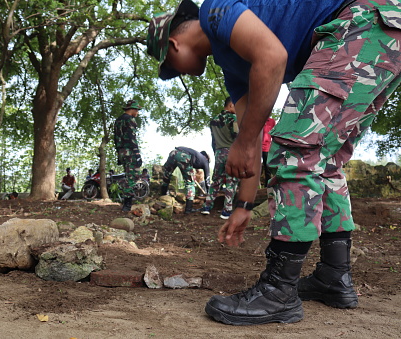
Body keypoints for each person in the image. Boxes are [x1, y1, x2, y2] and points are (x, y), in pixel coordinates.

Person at [147, 0, 401, 326]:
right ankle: (334, 277)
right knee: (325, 160)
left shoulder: (215, 10)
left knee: (294, 148)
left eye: (169, 64)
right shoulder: (233, 68)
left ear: (173, 43)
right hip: (379, 31)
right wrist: (242, 205)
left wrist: (243, 142)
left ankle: (279, 291)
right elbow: (248, 143)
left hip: (361, 23)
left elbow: (273, 57)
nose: (174, 72)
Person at [200, 97, 240, 220]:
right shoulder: (233, 118)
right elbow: (236, 135)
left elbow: (213, 141)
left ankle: (207, 206)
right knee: (231, 180)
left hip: (218, 152)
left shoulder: (213, 120)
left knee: (216, 180)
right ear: (231, 105)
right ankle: (226, 211)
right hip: (232, 152)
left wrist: (217, 152)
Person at [113, 99, 143, 212]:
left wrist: (118, 153)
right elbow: (132, 138)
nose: (138, 113)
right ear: (133, 110)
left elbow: (115, 139)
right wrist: (137, 154)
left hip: (121, 152)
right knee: (133, 176)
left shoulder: (118, 120)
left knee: (127, 175)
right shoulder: (130, 120)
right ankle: (127, 204)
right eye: (137, 110)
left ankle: (126, 201)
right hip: (130, 152)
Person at [161, 146, 210, 214]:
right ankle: (188, 209)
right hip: (184, 156)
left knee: (167, 175)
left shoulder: (196, 154)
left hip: (173, 152)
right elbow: (207, 180)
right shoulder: (205, 161)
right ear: (207, 158)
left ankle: (162, 197)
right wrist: (209, 192)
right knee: (190, 183)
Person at [262, 117, 276, 187]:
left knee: (267, 167)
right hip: (257, 148)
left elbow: (274, 134)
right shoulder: (258, 120)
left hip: (267, 147)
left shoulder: (271, 121)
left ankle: (268, 185)